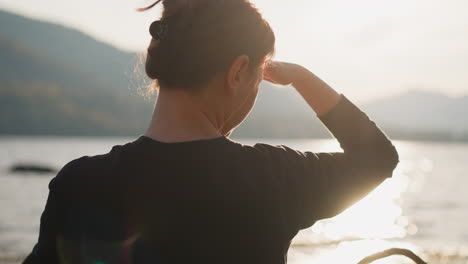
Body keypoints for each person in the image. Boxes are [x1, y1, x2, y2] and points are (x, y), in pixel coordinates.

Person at [23, 0, 399, 263]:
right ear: (237, 73)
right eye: (257, 77)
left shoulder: (79, 183)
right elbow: (378, 158)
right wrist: (301, 77)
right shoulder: (274, 178)